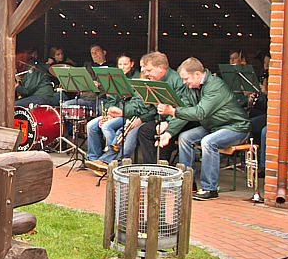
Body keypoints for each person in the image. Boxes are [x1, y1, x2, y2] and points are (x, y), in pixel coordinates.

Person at [158, 57, 250, 200]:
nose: (184, 82)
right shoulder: (191, 87)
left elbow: (200, 112)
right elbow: (185, 110)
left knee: (208, 142)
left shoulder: (215, 86)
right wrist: (169, 133)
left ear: (197, 74)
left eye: (186, 78)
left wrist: (173, 111)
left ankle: (210, 188)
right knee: (185, 138)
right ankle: (188, 183)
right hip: (213, 126)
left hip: (235, 127)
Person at [84, 53, 151, 172]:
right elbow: (110, 100)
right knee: (91, 126)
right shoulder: (114, 79)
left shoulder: (137, 79)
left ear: (132, 64)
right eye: (120, 64)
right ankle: (94, 159)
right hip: (117, 113)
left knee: (107, 126)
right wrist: (108, 113)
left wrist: (118, 112)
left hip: (127, 114)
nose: (122, 67)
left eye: (125, 64)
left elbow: (136, 105)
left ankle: (111, 159)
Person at [135, 51, 196, 164]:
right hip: (165, 119)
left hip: (182, 120)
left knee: (162, 134)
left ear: (160, 68)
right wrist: (142, 119)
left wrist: (168, 123)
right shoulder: (154, 80)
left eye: (149, 70)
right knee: (144, 131)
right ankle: (151, 166)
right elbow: (152, 107)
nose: (146, 73)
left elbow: (184, 108)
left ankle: (161, 167)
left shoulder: (178, 80)